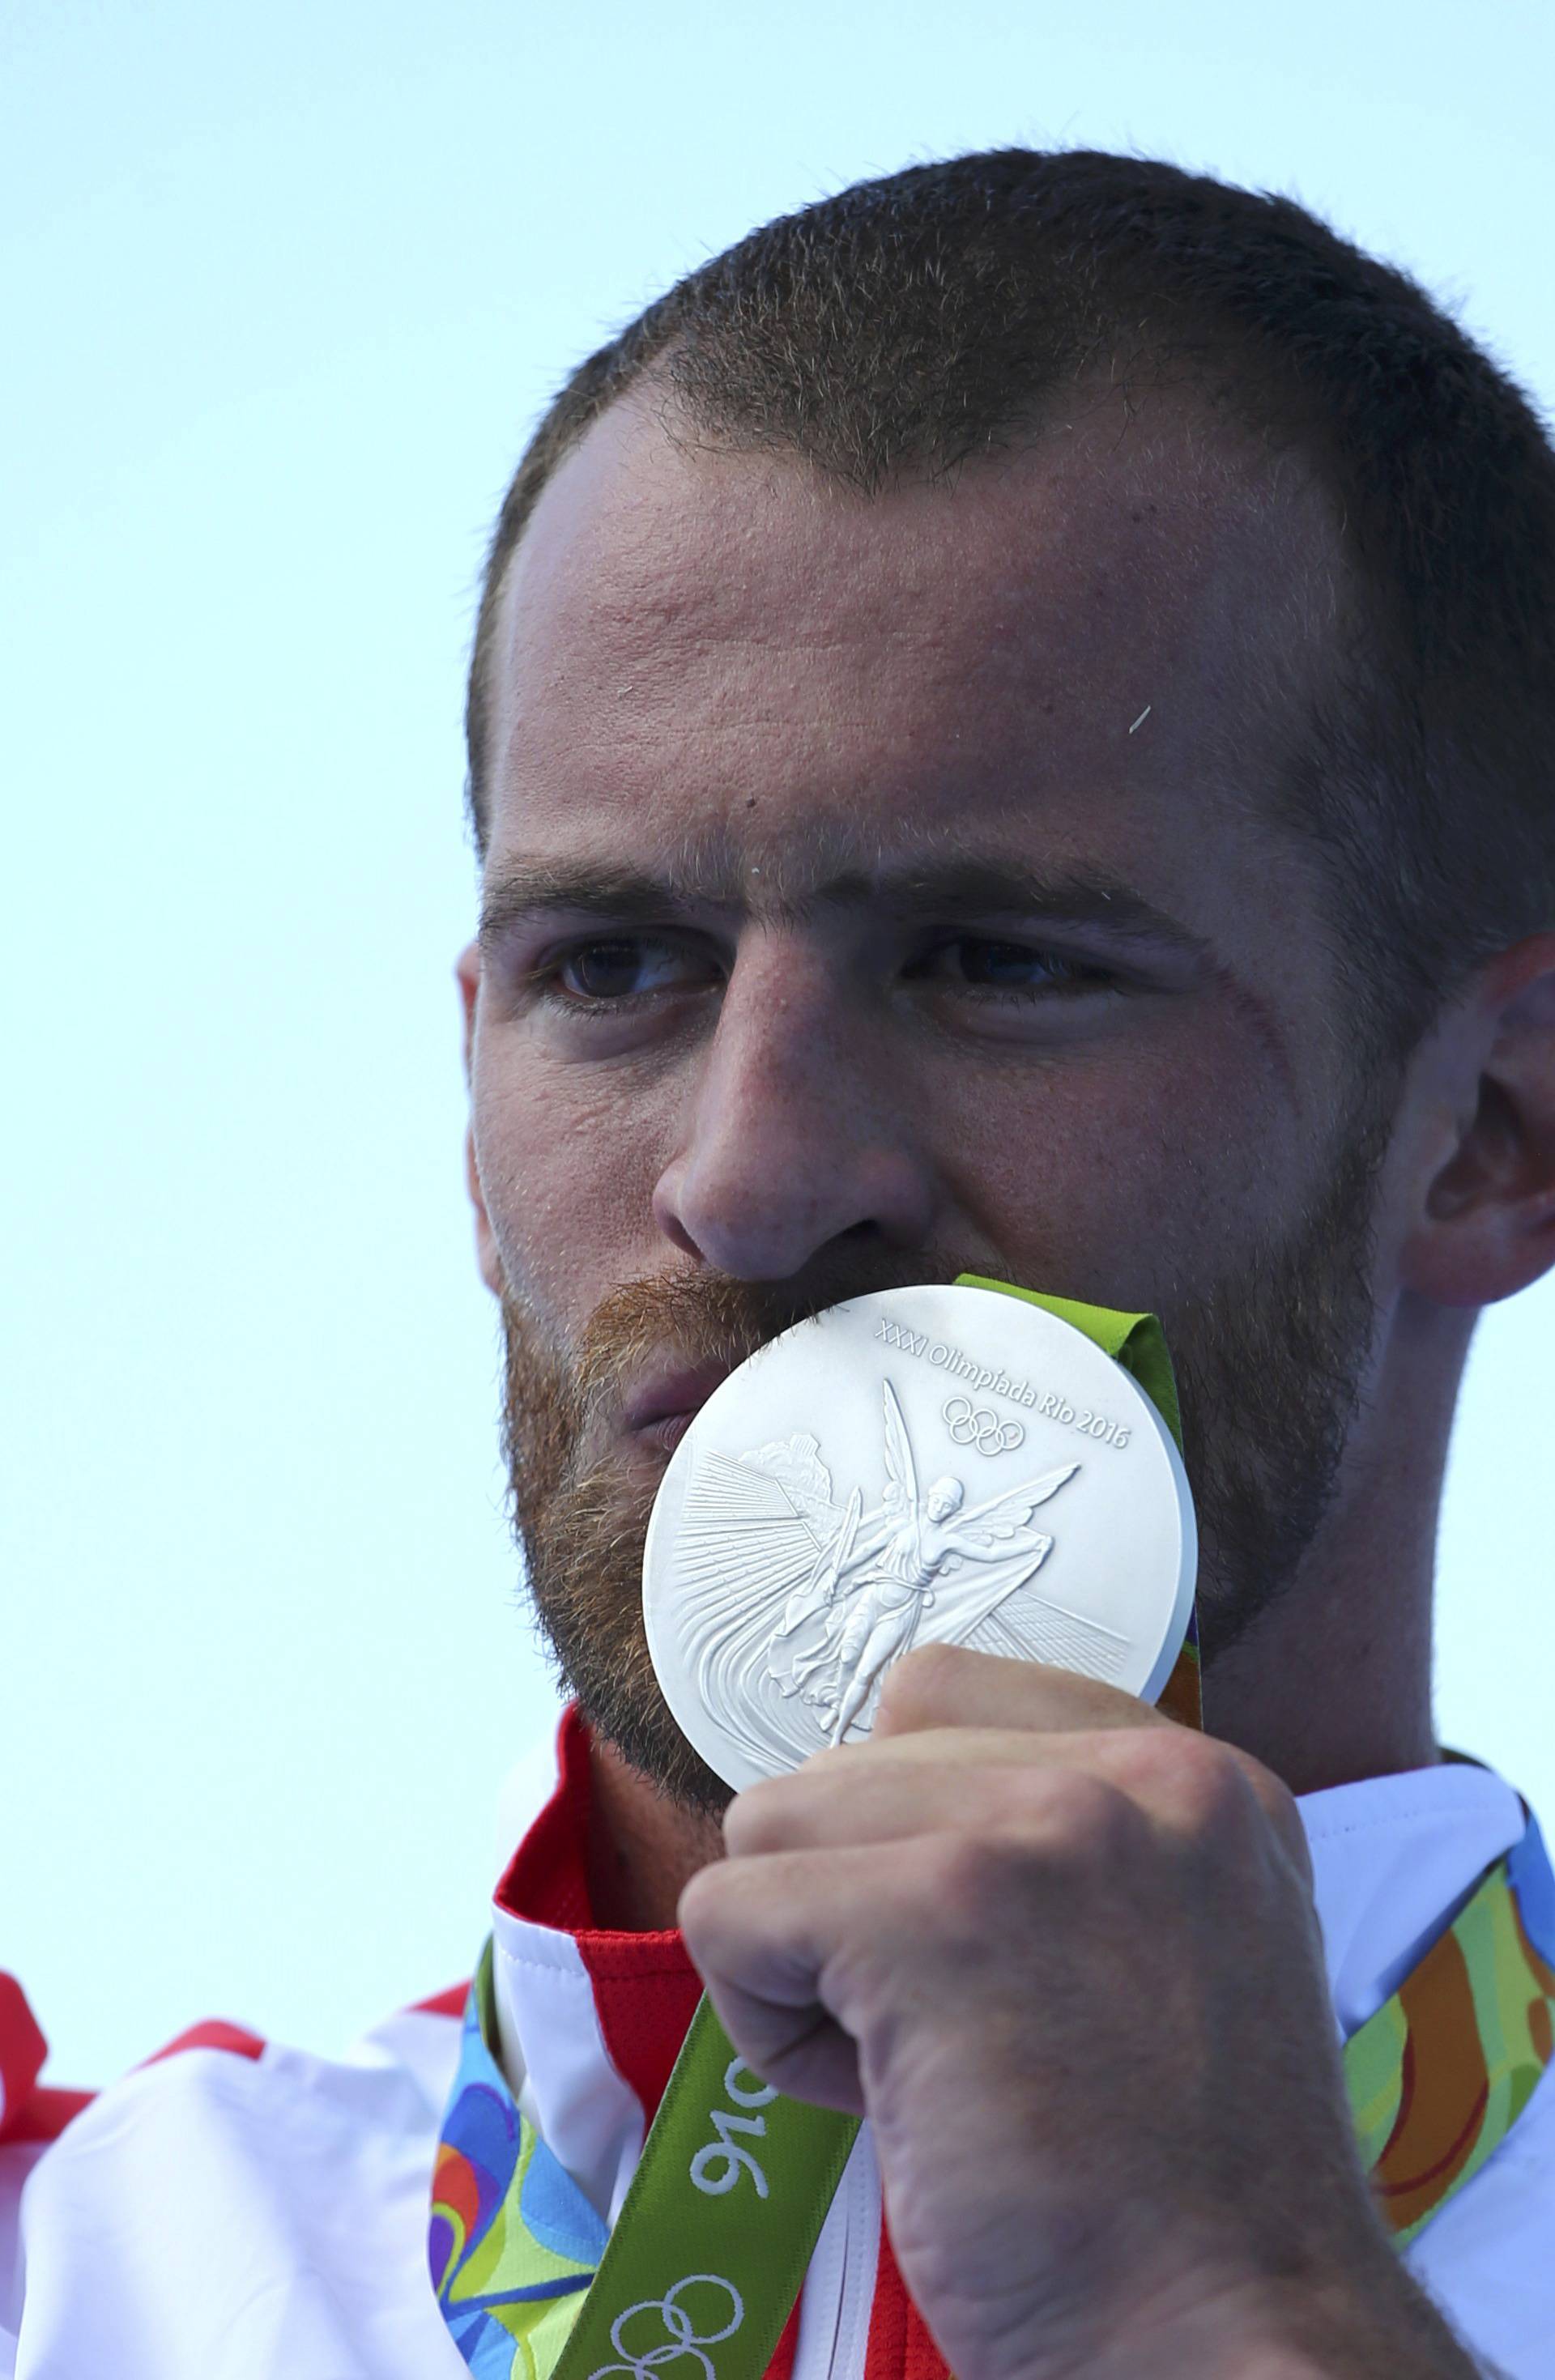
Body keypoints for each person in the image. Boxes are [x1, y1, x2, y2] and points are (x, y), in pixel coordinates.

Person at [5, 147, 1555, 2379]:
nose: (748, 1177)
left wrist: (1218, 2312)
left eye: (997, 960)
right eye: (616, 964)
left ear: (1497, 1128)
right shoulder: (77, 2278)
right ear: (470, 1098)